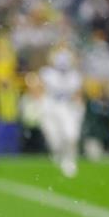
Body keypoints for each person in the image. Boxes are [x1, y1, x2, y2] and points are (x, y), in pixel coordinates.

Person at [38, 46, 84, 177]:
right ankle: (58, 155)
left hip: (67, 108)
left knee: (71, 135)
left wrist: (78, 109)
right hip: (50, 106)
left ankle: (69, 161)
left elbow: (78, 95)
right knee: (54, 140)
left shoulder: (74, 75)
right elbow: (39, 88)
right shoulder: (47, 73)